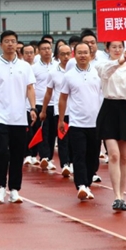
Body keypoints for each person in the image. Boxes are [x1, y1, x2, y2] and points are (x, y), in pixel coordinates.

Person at [0, 30, 37, 204]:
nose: (10, 44)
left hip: (19, 118)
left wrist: (32, 108)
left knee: (17, 154)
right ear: (1, 45)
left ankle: (14, 189)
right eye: (6, 41)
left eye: (13, 41)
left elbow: (30, 88)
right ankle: (0, 187)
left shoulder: (25, 66)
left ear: (17, 44)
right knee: (1, 152)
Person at [95, 41, 126, 211]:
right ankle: (116, 196)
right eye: (113, 47)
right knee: (113, 155)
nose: (117, 50)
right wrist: (120, 61)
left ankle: (122, 195)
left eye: (120, 47)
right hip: (109, 109)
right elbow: (106, 73)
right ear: (107, 49)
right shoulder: (102, 65)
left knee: (125, 157)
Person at [57, 42, 101, 201]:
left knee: (93, 157)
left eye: (85, 52)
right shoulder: (69, 76)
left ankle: (87, 183)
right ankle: (81, 185)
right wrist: (61, 119)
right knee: (79, 155)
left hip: (95, 123)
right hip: (76, 123)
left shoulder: (97, 73)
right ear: (74, 55)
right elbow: (63, 98)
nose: (83, 55)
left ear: (91, 54)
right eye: (79, 53)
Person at [40, 44, 72, 176]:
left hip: (77, 111)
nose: (66, 57)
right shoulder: (53, 73)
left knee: (75, 139)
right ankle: (65, 164)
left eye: (68, 54)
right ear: (58, 56)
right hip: (61, 112)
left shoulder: (76, 71)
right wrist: (43, 110)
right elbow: (48, 93)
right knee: (63, 139)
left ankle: (73, 162)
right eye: (63, 54)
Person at [28, 39, 56, 169]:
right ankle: (44, 157)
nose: (47, 51)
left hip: (55, 104)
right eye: (43, 49)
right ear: (38, 51)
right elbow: (31, 87)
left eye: (48, 48)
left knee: (52, 133)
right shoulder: (34, 68)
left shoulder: (57, 66)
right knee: (43, 131)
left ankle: (49, 157)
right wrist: (32, 106)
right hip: (40, 104)